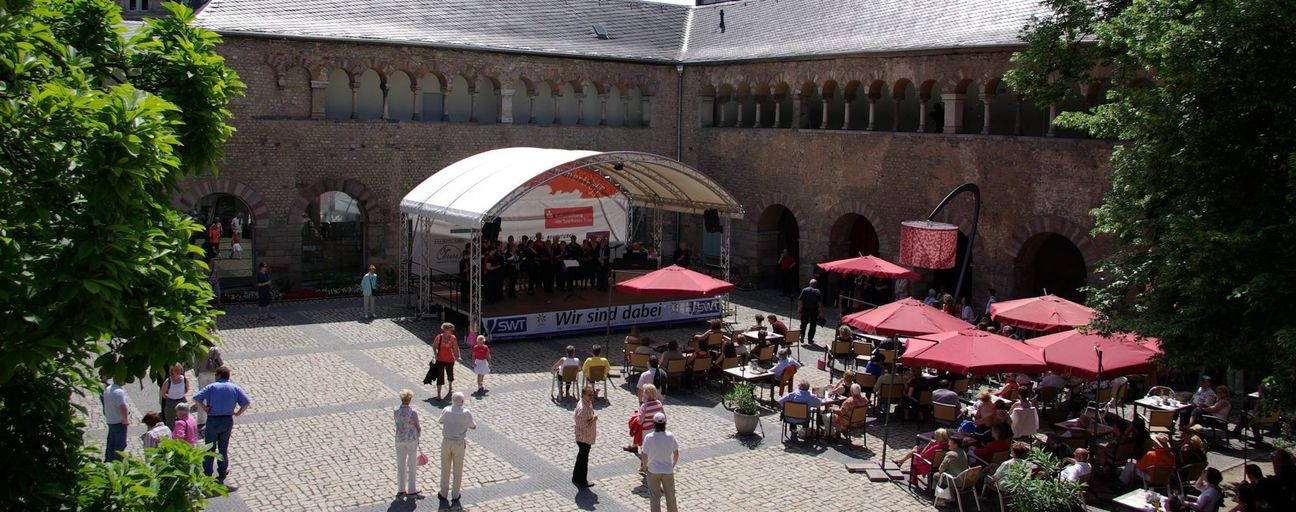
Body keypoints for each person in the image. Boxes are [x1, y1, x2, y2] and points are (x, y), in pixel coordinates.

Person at [193, 365, 251, 488]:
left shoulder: (212, 387)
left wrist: (204, 408)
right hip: (227, 420)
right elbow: (246, 402)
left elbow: (196, 397)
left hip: (213, 420)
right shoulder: (235, 388)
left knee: (210, 448)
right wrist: (238, 413)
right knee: (223, 448)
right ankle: (222, 472)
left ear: (218, 375)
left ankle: (208, 473)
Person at [437, 392, 476, 503]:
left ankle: (443, 493)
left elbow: (440, 421)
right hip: (459, 443)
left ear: (452, 400)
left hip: (446, 442)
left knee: (445, 467)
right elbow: (473, 426)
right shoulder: (466, 413)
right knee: (457, 469)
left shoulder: (446, 410)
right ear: (462, 402)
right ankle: (455, 494)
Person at [641, 412, 679, 512]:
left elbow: (644, 455)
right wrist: (672, 465)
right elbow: (676, 453)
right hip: (667, 470)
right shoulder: (670, 436)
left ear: (654, 424)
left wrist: (645, 467)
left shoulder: (649, 437)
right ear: (665, 423)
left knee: (654, 497)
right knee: (671, 496)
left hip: (653, 470)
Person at [392, 389, 423, 498]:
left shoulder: (396, 410)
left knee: (401, 464)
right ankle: (412, 489)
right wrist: (419, 432)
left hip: (399, 439)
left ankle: (401, 489)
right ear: (409, 400)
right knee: (412, 464)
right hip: (411, 439)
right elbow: (418, 426)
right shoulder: (413, 412)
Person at [423, 322, 461, 401]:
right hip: (440, 360)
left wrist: (458, 356)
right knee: (440, 377)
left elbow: (455, 348)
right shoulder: (439, 337)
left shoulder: (453, 338)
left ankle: (450, 387)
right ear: (445, 330)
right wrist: (435, 354)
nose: (452, 332)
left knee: (450, 374)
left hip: (450, 360)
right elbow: (434, 346)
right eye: (450, 330)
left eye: (452, 330)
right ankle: (439, 394)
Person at [626, 384, 666, 459]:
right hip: (656, 428)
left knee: (645, 445)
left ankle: (644, 459)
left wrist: (636, 417)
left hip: (646, 429)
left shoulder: (644, 406)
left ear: (645, 395)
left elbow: (640, 421)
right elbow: (663, 417)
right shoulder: (658, 403)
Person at [573, 385, 598, 488]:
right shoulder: (583, 408)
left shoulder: (587, 402)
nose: (591, 397)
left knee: (581, 457)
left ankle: (575, 477)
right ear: (583, 394)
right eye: (589, 395)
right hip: (583, 437)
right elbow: (583, 425)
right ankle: (582, 480)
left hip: (585, 437)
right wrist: (593, 419)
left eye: (593, 394)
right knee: (583, 459)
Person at [194, 339, 222, 429]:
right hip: (213, 373)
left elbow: (196, 362)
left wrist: (196, 372)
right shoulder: (215, 350)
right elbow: (221, 363)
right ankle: (213, 417)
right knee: (213, 396)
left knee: (202, 396)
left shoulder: (200, 349)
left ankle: (201, 420)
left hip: (202, 373)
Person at [102, 374, 130, 462]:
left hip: (110, 420)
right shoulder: (119, 392)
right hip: (119, 421)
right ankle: (117, 462)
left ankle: (108, 460)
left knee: (111, 442)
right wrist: (125, 420)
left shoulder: (108, 388)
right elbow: (122, 406)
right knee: (120, 445)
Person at [160, 363, 189, 428]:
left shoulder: (184, 379)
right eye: (176, 370)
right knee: (170, 423)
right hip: (171, 403)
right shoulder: (168, 381)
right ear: (172, 371)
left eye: (179, 369)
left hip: (182, 401)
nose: (178, 371)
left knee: (183, 421)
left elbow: (186, 390)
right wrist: (170, 397)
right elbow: (163, 393)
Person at [796, 279, 824, 344]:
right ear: (816, 284)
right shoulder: (818, 291)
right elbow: (819, 303)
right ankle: (810, 340)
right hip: (814, 310)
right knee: (813, 325)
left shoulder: (804, 290)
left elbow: (800, 300)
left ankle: (802, 336)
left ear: (809, 283)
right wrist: (821, 312)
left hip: (805, 309)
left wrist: (799, 309)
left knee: (803, 323)